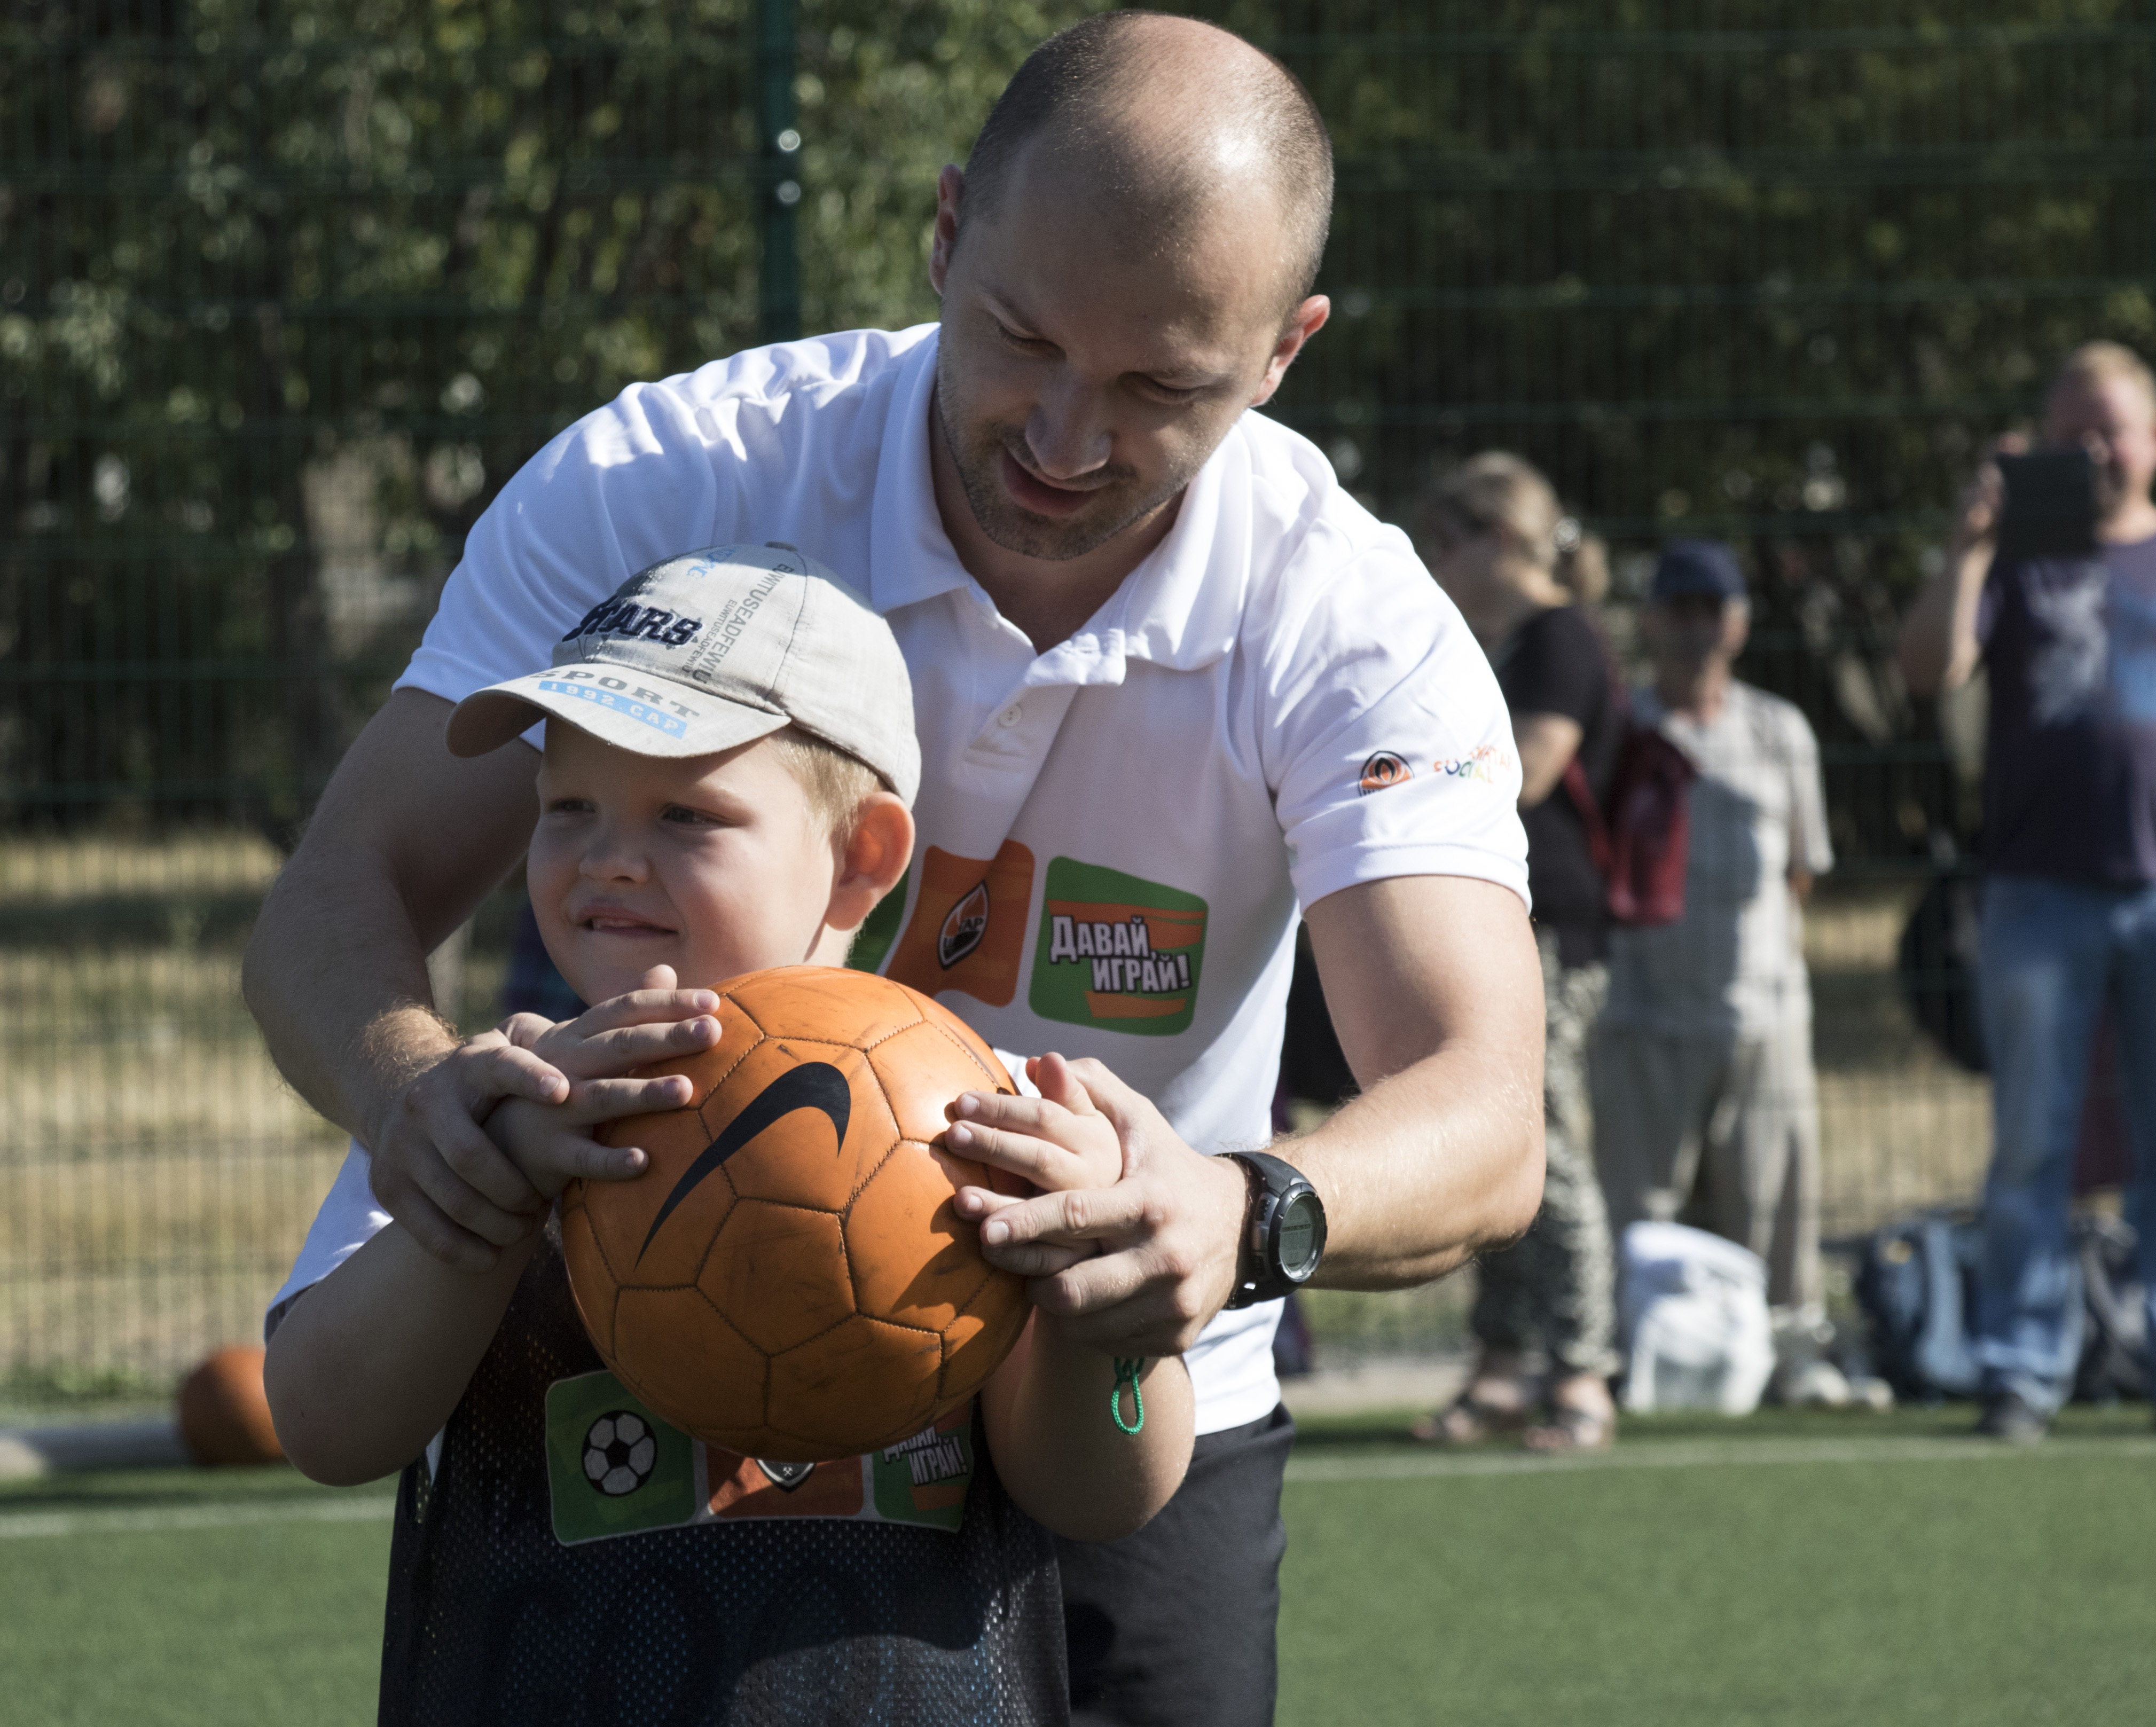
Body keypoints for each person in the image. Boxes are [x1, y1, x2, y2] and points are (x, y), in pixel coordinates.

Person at [240, 16, 1546, 1725]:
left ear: (1284, 349)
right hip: (617, 1375)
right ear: (943, 235)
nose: (1066, 437)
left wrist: (1229, 1213)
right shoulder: (673, 486)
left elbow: (1481, 1107)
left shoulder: (1345, 618)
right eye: (1017, 338)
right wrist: (423, 1102)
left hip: (1108, 1368)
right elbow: (338, 902)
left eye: (1162, 384)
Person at [264, 548, 1193, 1721]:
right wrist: (485, 1208)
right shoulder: (485, 1105)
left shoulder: (992, 1113)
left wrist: (1094, 1303)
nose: (605, 855)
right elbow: (322, 1425)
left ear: (863, 858)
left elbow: (1107, 1493)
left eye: (685, 814)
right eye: (569, 809)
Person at [1898, 340, 2156, 1442]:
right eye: (2073, 430)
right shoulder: (2017, 560)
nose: (2096, 448)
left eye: (2112, 427)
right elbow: (1928, 670)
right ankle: (2019, 1372)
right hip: (2035, 898)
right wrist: (1970, 548)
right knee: (2033, 1145)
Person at [1409, 453, 1621, 1451]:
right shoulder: (1496, 639)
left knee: (1550, 1145)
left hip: (1553, 931)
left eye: (1446, 545)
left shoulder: (1558, 637)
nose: (1435, 566)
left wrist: (1408, 773)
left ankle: (1582, 1369)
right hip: (1500, 920)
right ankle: (1501, 1366)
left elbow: (1529, 769)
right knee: (1489, 1137)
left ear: (1496, 538)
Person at [1588, 539, 1839, 1381]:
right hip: (1641, 1008)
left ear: (1737, 623)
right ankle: (1638, 1354)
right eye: (1680, 609)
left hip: (1764, 1011)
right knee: (1640, 1204)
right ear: (1652, 620)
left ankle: (1791, 1356)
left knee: (1775, 1199)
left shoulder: (1778, 730)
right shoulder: (1622, 731)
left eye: (1713, 610)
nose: (1697, 627)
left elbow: (1800, 872)